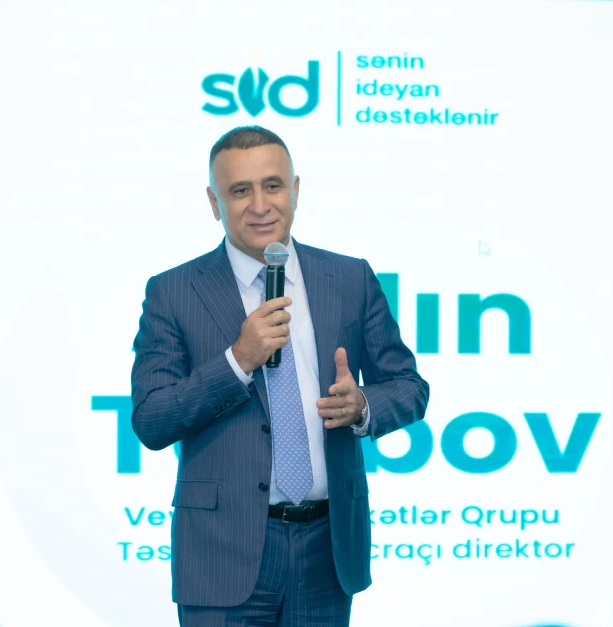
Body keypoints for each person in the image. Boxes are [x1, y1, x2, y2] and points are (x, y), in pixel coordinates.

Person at [130, 125, 430, 626]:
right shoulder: (174, 291)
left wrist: (362, 406)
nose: (260, 205)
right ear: (214, 202)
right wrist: (237, 360)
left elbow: (409, 386)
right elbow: (152, 419)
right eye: (239, 191)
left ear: (295, 190)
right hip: (222, 552)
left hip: (327, 548)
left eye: (272, 186)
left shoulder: (350, 278)